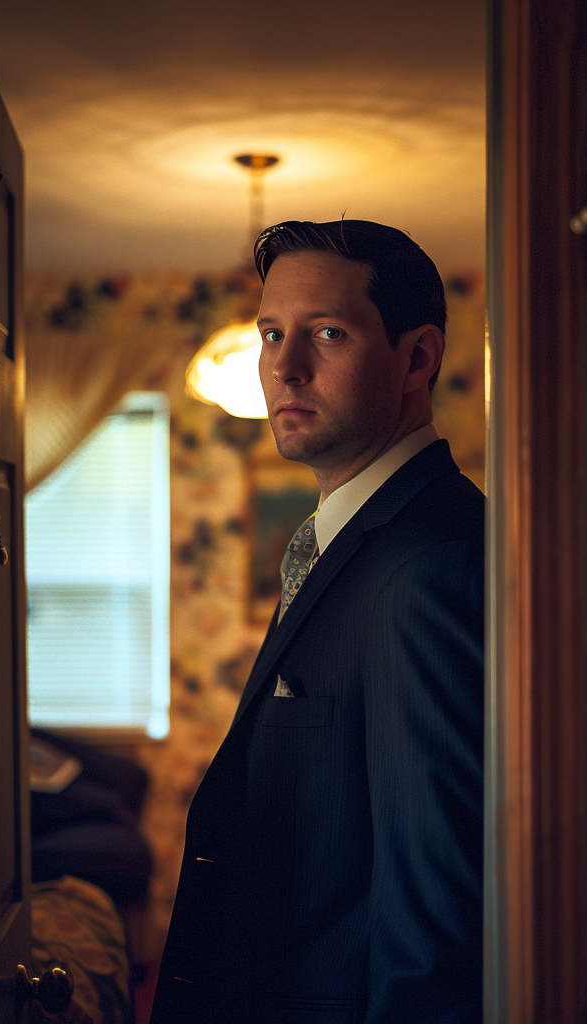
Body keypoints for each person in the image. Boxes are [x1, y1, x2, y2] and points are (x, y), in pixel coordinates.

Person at [151, 220, 484, 1024]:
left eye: (326, 334)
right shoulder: (346, 540)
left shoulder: (430, 564)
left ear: (418, 356)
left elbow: (438, 922)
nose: (283, 367)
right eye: (272, 334)